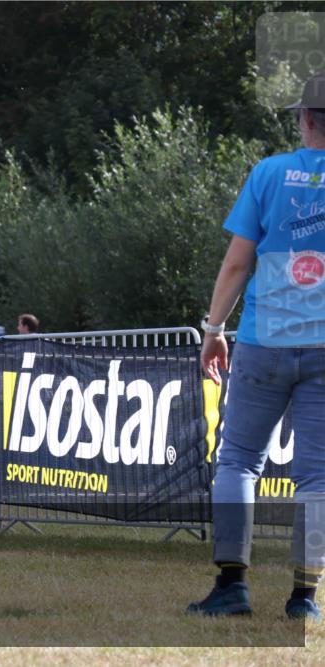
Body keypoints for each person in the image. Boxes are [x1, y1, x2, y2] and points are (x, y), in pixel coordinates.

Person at [188, 73, 325, 621]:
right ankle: (305, 598)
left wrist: (214, 330)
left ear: (306, 119)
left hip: (266, 341)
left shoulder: (269, 174)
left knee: (240, 461)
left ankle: (231, 587)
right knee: (318, 477)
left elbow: (237, 263)